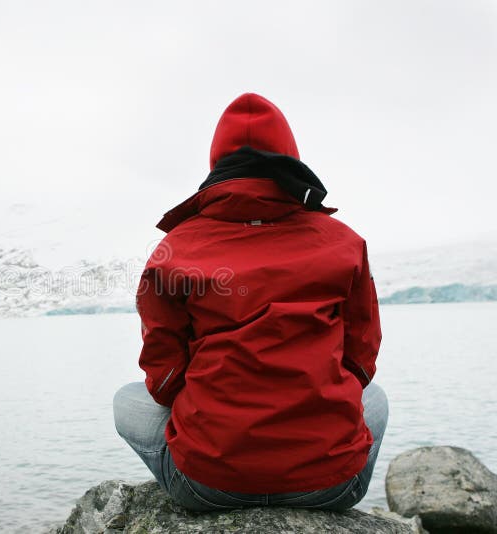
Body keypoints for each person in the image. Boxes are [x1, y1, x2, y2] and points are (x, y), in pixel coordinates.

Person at [113, 93, 388, 512]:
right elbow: (361, 361)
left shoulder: (176, 248)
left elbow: (164, 376)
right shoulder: (344, 243)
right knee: (377, 399)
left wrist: (215, 414)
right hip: (330, 485)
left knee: (126, 400)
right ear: (291, 158)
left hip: (208, 485)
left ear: (216, 165)